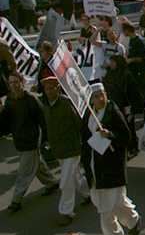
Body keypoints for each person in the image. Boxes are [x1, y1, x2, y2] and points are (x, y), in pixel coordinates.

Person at [81, 83, 141, 235]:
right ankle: (121, 229)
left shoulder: (113, 112)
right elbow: (85, 139)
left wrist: (110, 135)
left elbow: (126, 137)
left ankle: (125, 227)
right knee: (104, 202)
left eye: (102, 94)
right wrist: (84, 161)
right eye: (95, 96)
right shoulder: (89, 114)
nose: (100, 99)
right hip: (95, 165)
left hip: (111, 165)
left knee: (111, 203)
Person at [0, 71, 58, 212]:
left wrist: (46, 139)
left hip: (31, 140)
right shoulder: (9, 101)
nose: (13, 85)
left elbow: (42, 120)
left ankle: (16, 200)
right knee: (36, 164)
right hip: (19, 140)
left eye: (16, 82)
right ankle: (51, 183)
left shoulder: (31, 99)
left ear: (22, 83)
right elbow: (6, 124)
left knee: (24, 172)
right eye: (11, 83)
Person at [40, 76, 90, 225]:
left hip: (71, 147)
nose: (49, 91)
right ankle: (89, 193)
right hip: (58, 148)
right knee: (75, 176)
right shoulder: (45, 104)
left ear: (58, 88)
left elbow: (79, 123)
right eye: (47, 89)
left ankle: (66, 212)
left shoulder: (66, 103)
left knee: (66, 180)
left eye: (52, 88)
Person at [103, 54, 142, 157]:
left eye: (113, 62)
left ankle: (133, 147)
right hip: (114, 107)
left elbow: (133, 93)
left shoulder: (126, 75)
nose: (111, 64)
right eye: (110, 62)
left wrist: (132, 110)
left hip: (125, 106)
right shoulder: (109, 74)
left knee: (129, 128)